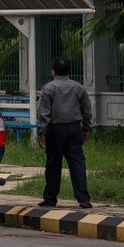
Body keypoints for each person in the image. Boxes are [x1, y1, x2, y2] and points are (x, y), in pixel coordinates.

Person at [37, 57, 93, 209]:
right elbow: (87, 111)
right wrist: (86, 128)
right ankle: (83, 198)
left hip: (55, 130)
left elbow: (44, 114)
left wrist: (41, 133)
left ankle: (50, 198)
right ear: (68, 70)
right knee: (77, 163)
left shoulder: (49, 88)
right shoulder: (79, 87)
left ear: (53, 71)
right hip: (75, 129)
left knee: (53, 164)